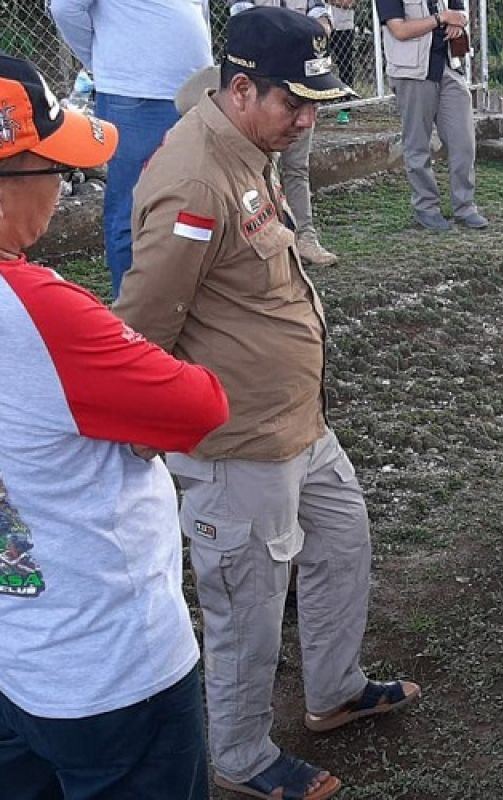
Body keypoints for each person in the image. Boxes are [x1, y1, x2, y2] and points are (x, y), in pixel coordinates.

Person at [113, 9, 419, 800]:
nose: (309, 119)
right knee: (247, 603)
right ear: (241, 88)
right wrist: (153, 437)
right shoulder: (193, 179)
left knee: (343, 543)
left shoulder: (251, 145)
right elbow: (147, 326)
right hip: (238, 441)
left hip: (298, 425)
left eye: (318, 102)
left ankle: (332, 690)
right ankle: (241, 756)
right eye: (298, 102)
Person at [0, 53, 229, 799]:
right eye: (56, 174)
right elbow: (197, 406)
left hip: (16, 654)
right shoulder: (39, 312)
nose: (65, 192)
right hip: (107, 668)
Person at [49, 0, 213, 296]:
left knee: (193, 197)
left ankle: (177, 301)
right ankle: (133, 312)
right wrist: (107, 64)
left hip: (192, 93)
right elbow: (65, 8)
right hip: (137, 95)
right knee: (131, 207)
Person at [234, 0, 344, 268]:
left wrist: (310, 33)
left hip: (304, 82)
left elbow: (323, 18)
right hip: (265, 89)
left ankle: (305, 238)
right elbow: (242, 21)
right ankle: (266, 241)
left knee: (297, 168)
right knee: (258, 170)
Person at [376, 0, 489, 231]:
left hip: (447, 67)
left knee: (463, 140)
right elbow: (399, 30)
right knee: (417, 144)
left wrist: (459, 21)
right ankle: (426, 207)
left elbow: (460, 11)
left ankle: (465, 206)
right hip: (412, 72)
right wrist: (441, 19)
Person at [330, 0, 358, 86]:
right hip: (323, 23)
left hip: (343, 26)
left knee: (345, 61)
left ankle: (346, 90)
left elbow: (348, 3)